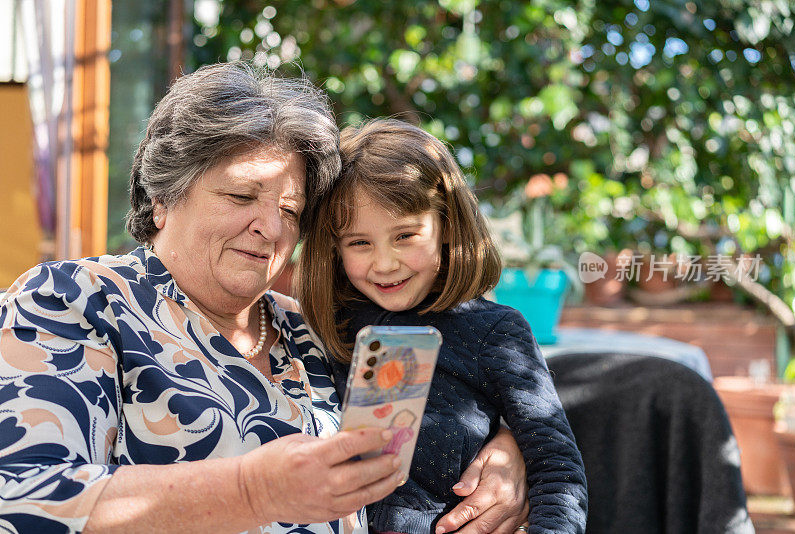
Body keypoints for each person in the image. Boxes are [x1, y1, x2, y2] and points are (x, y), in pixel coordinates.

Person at [0, 63, 528, 534]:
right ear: (162, 198)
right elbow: (22, 499)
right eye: (240, 195)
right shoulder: (74, 298)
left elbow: (453, 399)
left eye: (292, 209)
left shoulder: (316, 327)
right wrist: (256, 492)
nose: (271, 227)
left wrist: (507, 450)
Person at [297, 118, 589, 533]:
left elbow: (556, 467)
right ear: (333, 247)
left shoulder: (496, 332)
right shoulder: (326, 326)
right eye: (359, 243)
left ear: (447, 225)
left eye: (405, 235)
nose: (384, 263)